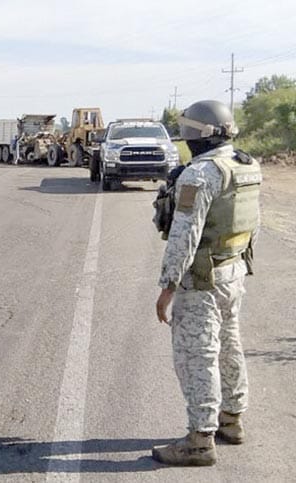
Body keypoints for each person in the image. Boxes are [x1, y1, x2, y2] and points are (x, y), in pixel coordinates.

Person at [152, 100, 262, 466]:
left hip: (202, 282)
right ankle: (232, 420)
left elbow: (184, 236)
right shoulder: (247, 166)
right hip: (233, 272)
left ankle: (199, 441)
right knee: (229, 346)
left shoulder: (199, 174)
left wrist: (168, 287)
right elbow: (253, 224)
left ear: (195, 135)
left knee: (197, 356)